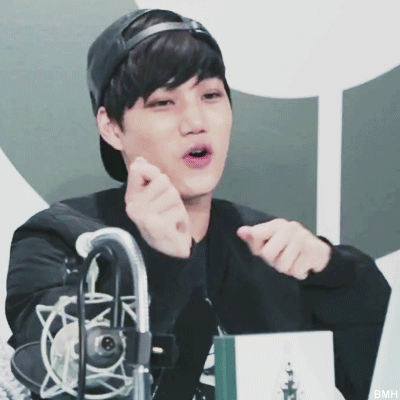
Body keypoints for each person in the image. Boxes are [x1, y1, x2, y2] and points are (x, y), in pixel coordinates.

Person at [6, 8, 390, 400]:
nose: (195, 122)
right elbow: (72, 383)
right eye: (163, 102)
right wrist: (165, 266)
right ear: (112, 127)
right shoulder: (62, 241)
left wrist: (335, 274)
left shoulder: (268, 253)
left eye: (210, 96)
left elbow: (383, 384)